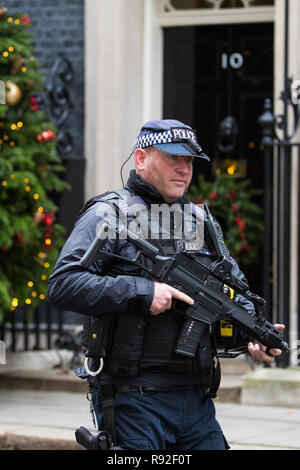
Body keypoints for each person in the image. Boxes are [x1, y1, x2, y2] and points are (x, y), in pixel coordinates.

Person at [47, 119, 284, 451]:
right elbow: (63, 284)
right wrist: (143, 293)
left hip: (196, 401)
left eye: (189, 161)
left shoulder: (202, 221)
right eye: (174, 158)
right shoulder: (108, 214)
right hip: (136, 399)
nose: (184, 169)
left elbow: (232, 289)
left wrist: (253, 335)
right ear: (141, 159)